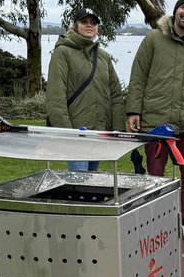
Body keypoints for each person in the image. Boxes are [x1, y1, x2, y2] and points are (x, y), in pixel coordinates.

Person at [126, 0, 184, 240]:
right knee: (155, 175)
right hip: (155, 122)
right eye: (183, 8)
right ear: (175, 12)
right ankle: (156, 221)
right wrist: (134, 110)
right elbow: (138, 76)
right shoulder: (154, 38)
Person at [46, 9, 125, 171]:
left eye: (94, 23)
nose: (89, 25)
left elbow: (116, 96)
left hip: (99, 134)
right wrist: (66, 133)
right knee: (79, 183)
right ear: (75, 26)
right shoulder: (62, 53)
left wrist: (118, 131)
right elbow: (56, 96)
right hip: (77, 134)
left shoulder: (103, 57)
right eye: (84, 22)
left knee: (92, 184)